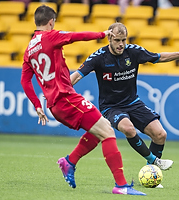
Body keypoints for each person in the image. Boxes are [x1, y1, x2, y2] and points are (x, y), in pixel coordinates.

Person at [20, 5, 146, 196]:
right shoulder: (50, 36)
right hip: (65, 98)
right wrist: (102, 34)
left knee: (99, 128)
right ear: (51, 21)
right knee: (107, 131)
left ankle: (69, 162)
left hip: (57, 102)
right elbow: (74, 36)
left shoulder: (29, 49)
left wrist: (37, 105)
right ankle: (120, 185)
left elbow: (25, 80)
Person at [70, 22, 179, 187]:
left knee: (160, 134)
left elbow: (158, 57)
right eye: (117, 40)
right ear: (109, 38)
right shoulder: (99, 57)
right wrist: (59, 91)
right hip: (111, 106)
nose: (121, 44)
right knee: (128, 128)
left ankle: (151, 174)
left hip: (133, 102)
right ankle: (154, 160)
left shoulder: (133, 52)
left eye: (123, 40)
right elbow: (77, 76)